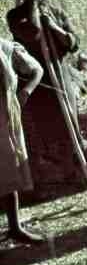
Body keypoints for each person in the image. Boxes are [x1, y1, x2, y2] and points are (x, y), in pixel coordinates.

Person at [7, 0, 83, 186]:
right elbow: (31, 33)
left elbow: (73, 43)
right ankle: (44, 177)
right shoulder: (15, 16)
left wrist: (55, 27)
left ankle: (73, 170)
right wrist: (31, 6)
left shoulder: (56, 13)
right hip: (40, 83)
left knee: (69, 123)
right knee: (47, 126)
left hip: (61, 75)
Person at [0, 39, 44, 244]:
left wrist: (26, 91)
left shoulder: (5, 48)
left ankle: (15, 227)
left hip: (3, 118)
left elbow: (37, 69)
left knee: (8, 168)